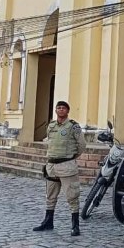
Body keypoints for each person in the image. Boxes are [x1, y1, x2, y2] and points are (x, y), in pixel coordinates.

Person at [33, 100, 86, 236]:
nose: (61, 110)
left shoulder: (73, 126)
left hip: (66, 166)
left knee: (72, 196)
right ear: (56, 110)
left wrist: (71, 157)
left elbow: (81, 145)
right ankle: (48, 222)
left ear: (68, 111)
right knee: (50, 196)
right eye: (58, 108)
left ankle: (75, 226)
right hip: (51, 166)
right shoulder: (51, 125)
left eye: (63, 108)